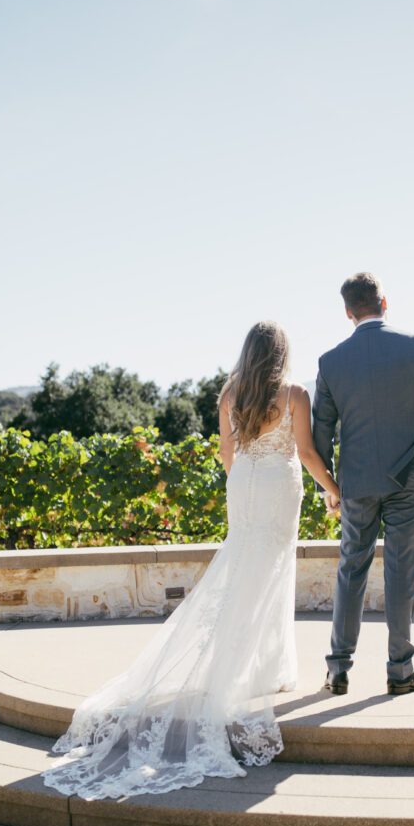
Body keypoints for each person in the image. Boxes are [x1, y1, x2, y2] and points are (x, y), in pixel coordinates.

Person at [42, 321, 339, 800]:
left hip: (242, 483)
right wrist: (334, 490)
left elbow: (227, 451)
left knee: (241, 565)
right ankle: (258, 670)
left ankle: (257, 665)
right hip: (279, 488)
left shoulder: (230, 393)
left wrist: (242, 479)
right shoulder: (295, 394)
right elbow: (304, 451)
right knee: (269, 573)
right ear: (282, 353)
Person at [312, 272, 414, 696]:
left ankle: (338, 669)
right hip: (412, 478)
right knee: (402, 570)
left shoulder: (330, 362)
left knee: (351, 568)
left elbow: (321, 431)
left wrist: (330, 487)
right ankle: (400, 670)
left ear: (348, 312)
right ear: (384, 303)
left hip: (356, 483)